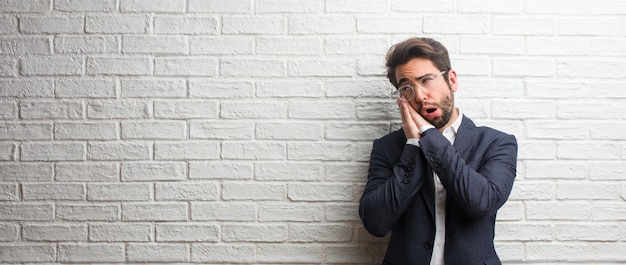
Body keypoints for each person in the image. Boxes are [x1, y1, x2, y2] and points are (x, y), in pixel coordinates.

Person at [358, 37, 518, 265]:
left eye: (426, 80)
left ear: (451, 80)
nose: (421, 95)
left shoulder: (496, 143)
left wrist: (427, 133)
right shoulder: (387, 148)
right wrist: (413, 145)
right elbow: (375, 223)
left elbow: (481, 202)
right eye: (407, 88)